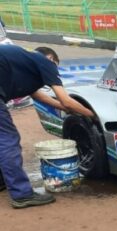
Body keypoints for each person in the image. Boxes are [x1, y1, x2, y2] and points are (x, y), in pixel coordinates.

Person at [0, 45, 94, 208]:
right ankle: (22, 195)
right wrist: (92, 115)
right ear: (51, 59)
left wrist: (64, 108)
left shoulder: (24, 62)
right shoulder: (46, 62)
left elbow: (37, 94)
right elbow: (66, 99)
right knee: (8, 141)